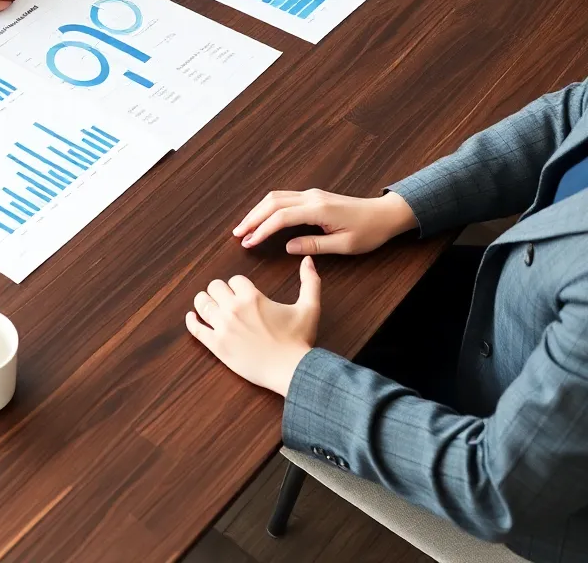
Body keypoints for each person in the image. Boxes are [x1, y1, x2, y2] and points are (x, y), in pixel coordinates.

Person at [187, 79, 588, 562]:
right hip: (518, 301)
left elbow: (494, 487)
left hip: (521, 475)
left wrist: (291, 370)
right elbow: (575, 112)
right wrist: (399, 208)